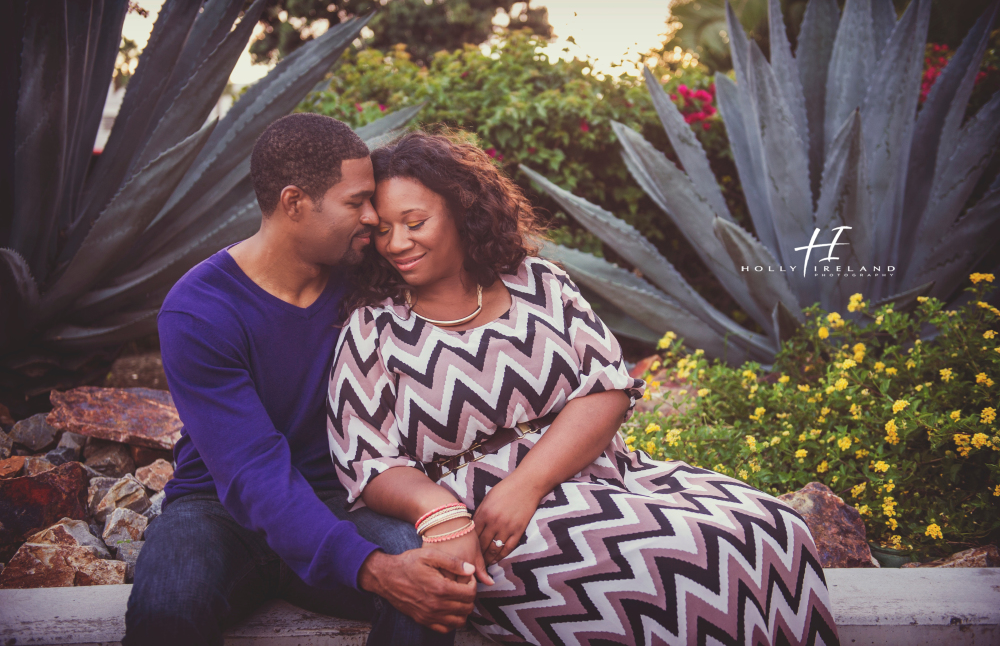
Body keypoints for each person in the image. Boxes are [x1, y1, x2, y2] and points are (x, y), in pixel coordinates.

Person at [326, 131, 841, 646]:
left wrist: (525, 485)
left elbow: (607, 390)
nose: (396, 243)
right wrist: (443, 513)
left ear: (463, 212)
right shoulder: (372, 327)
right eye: (383, 229)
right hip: (490, 523)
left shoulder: (538, 283)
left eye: (415, 223)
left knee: (776, 526)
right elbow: (368, 463)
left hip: (605, 476)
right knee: (681, 559)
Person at [125, 115, 478, 646]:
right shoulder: (200, 309)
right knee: (167, 608)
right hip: (220, 508)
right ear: (294, 203)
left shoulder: (367, 277)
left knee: (428, 587)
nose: (373, 217)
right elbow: (250, 473)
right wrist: (373, 570)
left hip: (344, 498)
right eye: (355, 201)